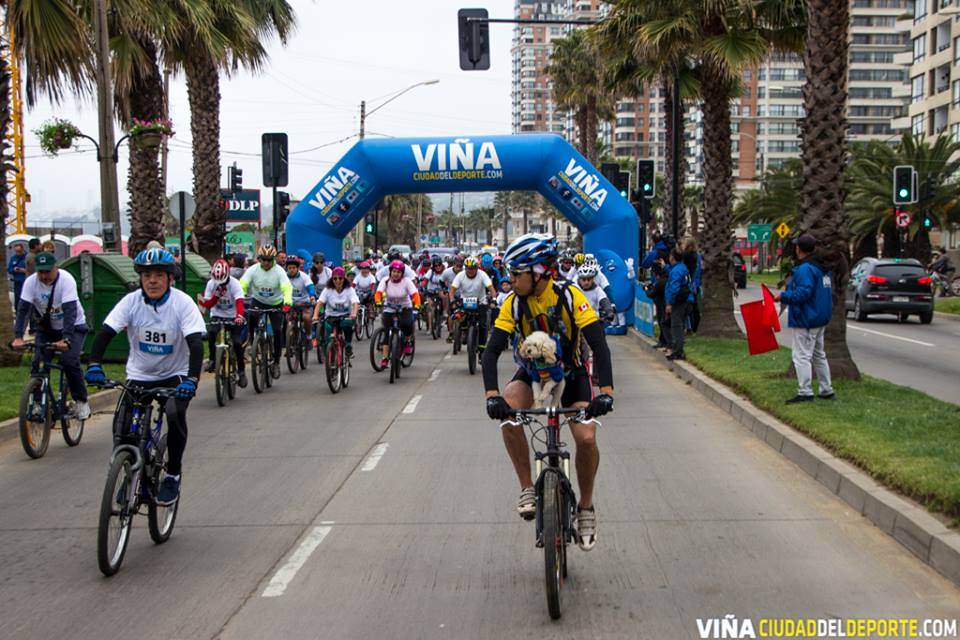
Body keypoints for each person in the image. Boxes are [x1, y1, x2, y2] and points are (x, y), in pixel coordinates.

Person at [481, 233, 614, 551]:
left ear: (538, 272)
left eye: (516, 273)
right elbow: (491, 351)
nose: (510, 279)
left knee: (586, 438)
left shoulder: (570, 296)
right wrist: (492, 396)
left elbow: (598, 342)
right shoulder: (512, 303)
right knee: (510, 412)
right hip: (532, 373)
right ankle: (527, 486)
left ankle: (586, 506)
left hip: (572, 373)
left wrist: (605, 393)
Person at [84, 248, 205, 506]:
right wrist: (94, 364)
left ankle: (172, 474)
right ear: (140, 278)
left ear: (170, 278)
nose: (152, 280)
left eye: (159, 275)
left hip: (176, 375)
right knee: (123, 426)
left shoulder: (182, 303)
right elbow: (105, 333)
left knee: (174, 414)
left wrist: (192, 380)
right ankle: (127, 473)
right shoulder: (131, 302)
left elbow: (195, 343)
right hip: (140, 374)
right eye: (147, 275)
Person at [12, 251, 90, 420]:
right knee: (38, 363)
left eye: (48, 271)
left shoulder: (66, 280)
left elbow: (70, 311)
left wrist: (67, 338)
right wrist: (18, 336)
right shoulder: (30, 283)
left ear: (56, 268)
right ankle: (38, 403)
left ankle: (81, 402)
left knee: (69, 361)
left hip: (74, 327)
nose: (44, 275)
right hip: (47, 328)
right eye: (41, 272)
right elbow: (23, 310)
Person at [773, 234, 835, 403]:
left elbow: (803, 293)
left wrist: (783, 296)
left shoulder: (805, 269)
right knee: (818, 355)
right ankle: (826, 389)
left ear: (799, 249)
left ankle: (805, 391)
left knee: (801, 355)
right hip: (820, 317)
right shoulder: (822, 268)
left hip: (807, 318)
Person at [239, 245, 292, 377]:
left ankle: (276, 362)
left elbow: (286, 287)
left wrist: (287, 301)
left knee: (277, 330)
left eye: (270, 260)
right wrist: (240, 296)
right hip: (258, 301)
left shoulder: (279, 271)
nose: (267, 263)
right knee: (251, 319)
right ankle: (253, 341)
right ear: (259, 259)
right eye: (264, 259)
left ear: (273, 259)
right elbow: (243, 284)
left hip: (276, 303)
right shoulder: (253, 270)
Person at [197, 258, 247, 387]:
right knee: (212, 333)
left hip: (233, 316)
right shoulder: (211, 284)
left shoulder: (235, 284)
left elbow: (240, 302)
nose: (220, 284)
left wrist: (239, 316)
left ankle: (241, 371)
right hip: (217, 315)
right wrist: (216, 296)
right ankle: (213, 360)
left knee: (237, 342)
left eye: (222, 281)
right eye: (217, 281)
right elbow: (208, 304)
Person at [374, 260, 420, 369]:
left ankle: (408, 341)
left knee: (407, 323)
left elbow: (415, 294)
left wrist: (417, 305)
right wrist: (378, 301)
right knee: (386, 332)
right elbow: (378, 293)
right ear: (390, 272)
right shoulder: (385, 281)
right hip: (389, 308)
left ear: (402, 274)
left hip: (405, 307)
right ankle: (385, 358)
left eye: (399, 272)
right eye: (394, 271)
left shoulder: (407, 281)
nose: (396, 274)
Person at [450, 256, 497, 349]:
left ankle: (482, 348)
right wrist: (452, 301)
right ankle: (463, 329)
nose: (470, 270)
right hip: (465, 301)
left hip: (481, 302)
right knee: (458, 315)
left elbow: (491, 289)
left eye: (472, 268)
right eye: (468, 268)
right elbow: (452, 291)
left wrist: (494, 299)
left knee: (483, 325)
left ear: (476, 268)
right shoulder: (460, 275)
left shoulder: (482, 274)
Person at [313, 266, 359, 358]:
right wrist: (315, 315)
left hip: (345, 316)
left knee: (347, 325)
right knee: (328, 339)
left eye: (340, 278)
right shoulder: (327, 290)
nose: (338, 281)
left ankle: (348, 346)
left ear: (344, 279)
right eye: (335, 278)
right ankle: (330, 359)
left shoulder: (349, 290)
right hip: (330, 316)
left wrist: (354, 313)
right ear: (332, 279)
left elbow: (355, 303)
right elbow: (320, 303)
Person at [664, 248, 695, 360]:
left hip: (679, 302)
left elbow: (674, 288)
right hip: (687, 300)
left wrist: (669, 303)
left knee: (676, 326)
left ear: (672, 257)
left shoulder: (677, 270)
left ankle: (678, 351)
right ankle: (676, 348)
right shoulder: (682, 268)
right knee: (674, 325)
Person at [285, 254, 317, 333]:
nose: (291, 270)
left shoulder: (304, 276)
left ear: (298, 268)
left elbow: (310, 286)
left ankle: (308, 335)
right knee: (286, 318)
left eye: (294, 268)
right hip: (291, 304)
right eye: (289, 268)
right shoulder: (284, 277)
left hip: (304, 304)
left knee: (306, 318)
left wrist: (312, 296)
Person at [682, 237, 703, 332]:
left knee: (690, 307)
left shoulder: (688, 257)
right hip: (696, 284)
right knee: (694, 306)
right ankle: (693, 326)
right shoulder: (698, 256)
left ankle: (691, 326)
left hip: (691, 284)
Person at [7, 243, 27, 308]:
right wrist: (13, 269)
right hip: (17, 282)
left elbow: (33, 270)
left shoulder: (27, 257)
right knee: (17, 299)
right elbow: (9, 269)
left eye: (19, 251)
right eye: (16, 251)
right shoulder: (13, 258)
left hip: (26, 282)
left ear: (22, 250)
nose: (17, 253)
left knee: (25, 299)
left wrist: (24, 270)